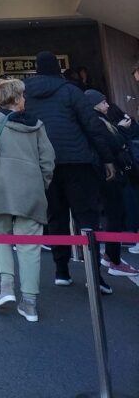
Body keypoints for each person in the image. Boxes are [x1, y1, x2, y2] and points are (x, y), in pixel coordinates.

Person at [23, 50, 116, 294]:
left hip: (44, 163)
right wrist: (107, 158)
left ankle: (61, 271)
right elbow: (91, 125)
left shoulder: (26, 93)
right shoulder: (71, 91)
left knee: (56, 216)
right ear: (57, 68)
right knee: (86, 217)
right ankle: (94, 275)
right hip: (77, 162)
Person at [0, 78, 55, 323]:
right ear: (16, 99)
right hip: (31, 191)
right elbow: (48, 160)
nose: (24, 99)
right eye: (22, 96)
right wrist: (41, 183)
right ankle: (30, 303)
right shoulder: (37, 124)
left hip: (0, 187)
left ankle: (6, 288)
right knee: (30, 244)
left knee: (1, 235)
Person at [82, 89, 139, 276]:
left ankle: (109, 256)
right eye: (103, 102)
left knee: (115, 213)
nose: (107, 105)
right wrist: (122, 129)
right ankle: (114, 260)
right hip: (108, 173)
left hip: (104, 173)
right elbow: (111, 144)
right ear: (94, 104)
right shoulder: (96, 121)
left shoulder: (93, 119)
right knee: (115, 214)